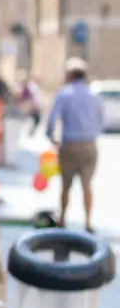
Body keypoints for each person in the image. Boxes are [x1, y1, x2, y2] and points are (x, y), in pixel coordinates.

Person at [47, 57, 104, 231]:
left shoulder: (65, 94)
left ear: (70, 75)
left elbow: (51, 120)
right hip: (89, 145)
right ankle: (88, 222)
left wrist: (51, 137)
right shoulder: (94, 95)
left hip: (69, 144)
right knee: (87, 185)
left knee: (65, 185)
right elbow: (101, 121)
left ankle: (62, 219)